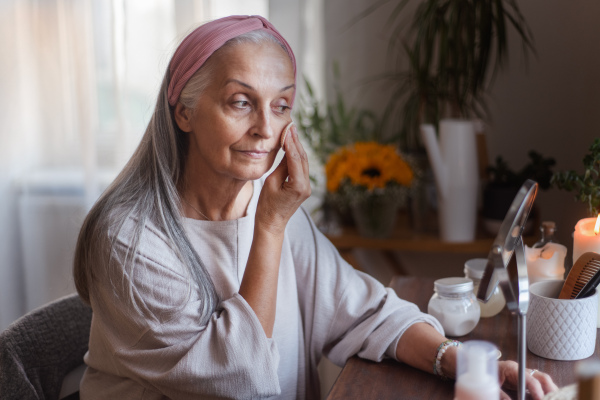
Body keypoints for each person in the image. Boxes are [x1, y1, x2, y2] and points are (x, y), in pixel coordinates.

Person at [73, 15, 557, 400]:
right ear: (184, 111)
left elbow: (361, 311)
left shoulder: (269, 211)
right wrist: (269, 227)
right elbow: (238, 382)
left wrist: (459, 359)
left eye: (281, 105)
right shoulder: (131, 242)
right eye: (241, 102)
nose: (265, 128)